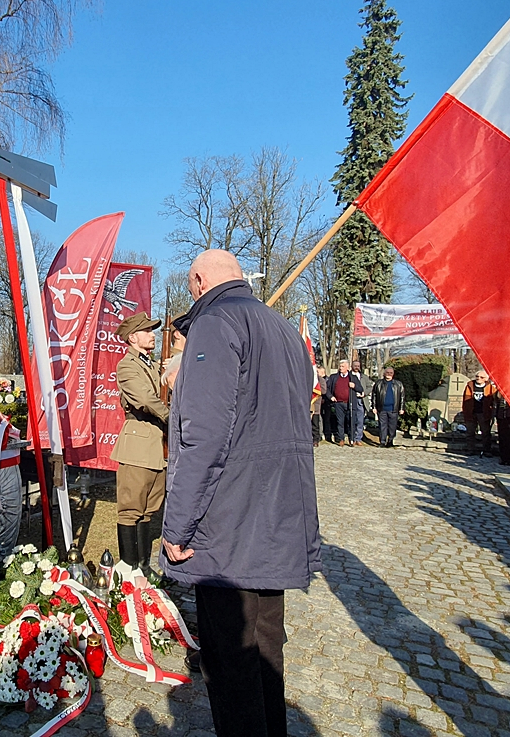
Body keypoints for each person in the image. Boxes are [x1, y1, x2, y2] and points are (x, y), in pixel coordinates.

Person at [160, 250, 321, 737]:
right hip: (278, 514)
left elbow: (204, 436)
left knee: (231, 662)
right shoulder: (284, 330)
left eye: (191, 288)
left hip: (229, 524)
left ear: (199, 280)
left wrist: (177, 525)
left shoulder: (214, 324)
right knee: (267, 651)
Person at [110, 311, 169, 579]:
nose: (152, 335)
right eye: (147, 331)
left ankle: (143, 567)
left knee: (148, 510)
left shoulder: (153, 365)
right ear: (133, 337)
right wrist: (171, 416)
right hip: (138, 444)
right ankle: (128, 568)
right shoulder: (127, 366)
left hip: (157, 446)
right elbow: (144, 399)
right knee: (130, 509)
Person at [326, 360, 363, 446]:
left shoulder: (353, 378)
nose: (340, 368)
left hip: (350, 403)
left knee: (351, 422)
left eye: (343, 366)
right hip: (338, 403)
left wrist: (354, 386)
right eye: (340, 366)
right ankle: (341, 439)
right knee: (340, 422)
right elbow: (327, 388)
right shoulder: (334, 377)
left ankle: (351, 439)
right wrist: (331, 396)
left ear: (347, 368)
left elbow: (360, 389)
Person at [461, 370, 497, 456]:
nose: (478, 378)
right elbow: (465, 399)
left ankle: (486, 450)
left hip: (484, 413)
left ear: (486, 379)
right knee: (470, 432)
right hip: (471, 412)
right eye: (477, 376)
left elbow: (494, 400)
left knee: (486, 433)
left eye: (481, 377)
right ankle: (470, 449)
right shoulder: (470, 386)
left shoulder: (490, 387)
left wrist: (492, 411)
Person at [369, 367, 404, 448]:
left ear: (393, 374)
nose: (389, 374)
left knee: (392, 426)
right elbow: (374, 395)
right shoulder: (378, 383)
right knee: (382, 426)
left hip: (393, 409)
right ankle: (382, 441)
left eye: (391, 373)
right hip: (382, 409)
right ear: (384, 373)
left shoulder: (398, 384)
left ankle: (391, 441)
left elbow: (402, 397)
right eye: (387, 372)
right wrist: (374, 407)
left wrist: (401, 408)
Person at [350, 360, 368, 445]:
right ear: (352, 366)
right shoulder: (349, 376)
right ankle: (352, 438)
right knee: (352, 419)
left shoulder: (364, 377)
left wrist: (364, 393)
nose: (357, 367)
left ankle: (358, 438)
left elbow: (370, 387)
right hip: (351, 399)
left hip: (361, 400)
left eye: (358, 365)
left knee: (360, 420)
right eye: (355, 365)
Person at [311, 366, 326, 446]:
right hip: (307, 403)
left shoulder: (321, 380)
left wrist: (316, 389)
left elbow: (323, 391)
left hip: (316, 403)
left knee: (315, 424)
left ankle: (315, 439)